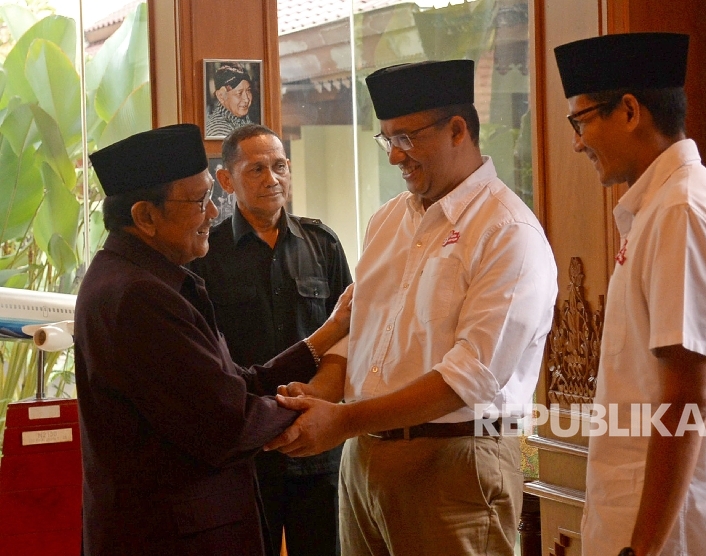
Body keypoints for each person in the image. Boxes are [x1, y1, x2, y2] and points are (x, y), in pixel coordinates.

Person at [267, 59, 558, 555]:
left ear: (458, 130)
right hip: (363, 461)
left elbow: (469, 376)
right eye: (386, 140)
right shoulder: (388, 221)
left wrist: (340, 421)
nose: (394, 157)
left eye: (406, 138)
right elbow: (362, 335)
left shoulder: (508, 231)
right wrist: (320, 394)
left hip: (455, 462)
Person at [76, 123, 351, 555]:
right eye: (200, 200)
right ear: (145, 216)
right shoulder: (136, 295)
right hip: (170, 535)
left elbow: (231, 382)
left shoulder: (148, 276)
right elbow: (228, 418)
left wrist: (324, 339)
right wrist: (315, 412)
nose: (210, 212)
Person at [553, 33, 706, 555]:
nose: (577, 142)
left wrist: (641, 549)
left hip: (677, 539)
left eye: (581, 121)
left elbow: (687, 392)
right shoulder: (658, 208)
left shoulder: (682, 211)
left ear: (629, 110)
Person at [189, 123, 352, 556]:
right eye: (256, 169)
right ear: (226, 180)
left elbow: (351, 334)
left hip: (317, 447)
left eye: (279, 166)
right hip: (246, 451)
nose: (272, 179)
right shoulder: (206, 255)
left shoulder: (323, 244)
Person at [206, 63, 254, 138]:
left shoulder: (243, 119)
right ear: (221, 96)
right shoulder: (218, 130)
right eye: (239, 93)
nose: (246, 99)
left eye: (248, 90)